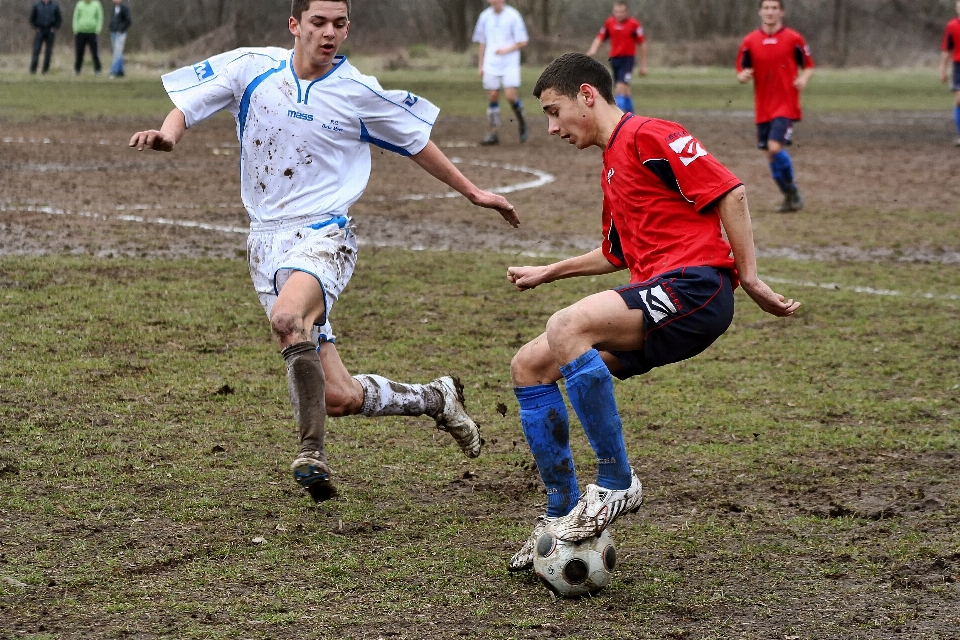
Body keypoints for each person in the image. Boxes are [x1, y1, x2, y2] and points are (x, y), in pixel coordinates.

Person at [129, 0, 520, 503]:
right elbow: (191, 102)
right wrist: (169, 134)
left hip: (325, 235)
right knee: (338, 396)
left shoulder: (357, 92)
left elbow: (417, 142)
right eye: (318, 22)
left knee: (288, 320)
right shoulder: (252, 68)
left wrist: (474, 192)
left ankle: (311, 453)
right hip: (265, 242)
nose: (328, 33)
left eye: (339, 24)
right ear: (294, 25)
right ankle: (434, 397)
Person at [504, 53, 800, 572]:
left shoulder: (650, 134)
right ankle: (560, 515)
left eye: (555, 111)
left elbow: (729, 190)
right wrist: (550, 271)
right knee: (530, 364)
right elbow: (616, 254)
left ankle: (616, 480)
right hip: (665, 295)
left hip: (696, 287)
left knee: (566, 326)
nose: (551, 127)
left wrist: (748, 275)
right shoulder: (612, 164)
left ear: (587, 96)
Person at [736, 0, 814, 213]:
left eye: (774, 8)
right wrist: (742, 76)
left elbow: (808, 65)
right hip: (763, 107)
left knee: (774, 147)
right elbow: (741, 70)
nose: (770, 12)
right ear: (760, 12)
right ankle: (789, 195)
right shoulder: (750, 41)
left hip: (786, 104)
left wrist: (804, 79)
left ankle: (793, 191)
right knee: (770, 155)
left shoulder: (793, 38)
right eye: (766, 8)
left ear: (781, 12)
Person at [472, 0, 529, 146]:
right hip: (491, 63)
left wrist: (505, 50)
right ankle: (493, 132)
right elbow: (482, 42)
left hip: (509, 63)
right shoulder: (484, 16)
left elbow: (523, 41)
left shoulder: (513, 15)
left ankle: (522, 122)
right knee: (493, 96)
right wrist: (481, 64)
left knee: (510, 96)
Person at [586, 1, 647, 115]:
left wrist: (643, 65)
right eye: (616, 11)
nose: (619, 14)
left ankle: (617, 115)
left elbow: (642, 43)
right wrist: (593, 49)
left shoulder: (634, 24)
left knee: (620, 86)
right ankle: (632, 115)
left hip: (628, 59)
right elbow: (600, 37)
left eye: (621, 12)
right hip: (614, 59)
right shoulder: (609, 22)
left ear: (626, 12)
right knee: (625, 89)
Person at [940, 0, 960, 146]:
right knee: (959, 101)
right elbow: (947, 50)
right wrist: (942, 69)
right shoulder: (952, 26)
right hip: (958, 66)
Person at [29, 0, 62, 75]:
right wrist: (35, 27)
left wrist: (55, 27)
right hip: (40, 30)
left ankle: (45, 70)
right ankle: (33, 70)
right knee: (36, 50)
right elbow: (32, 18)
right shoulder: (37, 5)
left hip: (50, 31)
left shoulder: (54, 6)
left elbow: (59, 19)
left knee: (48, 52)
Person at [72, 0, 103, 76]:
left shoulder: (96, 4)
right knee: (79, 52)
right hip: (81, 32)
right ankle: (77, 69)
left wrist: (98, 29)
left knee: (95, 52)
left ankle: (98, 70)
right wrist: (75, 29)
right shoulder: (80, 4)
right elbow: (76, 17)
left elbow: (100, 17)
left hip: (92, 32)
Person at [108, 0, 131, 78]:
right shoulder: (114, 8)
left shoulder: (124, 8)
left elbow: (128, 20)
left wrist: (121, 29)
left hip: (120, 33)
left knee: (117, 53)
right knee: (118, 52)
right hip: (113, 32)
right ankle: (121, 71)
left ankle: (113, 71)